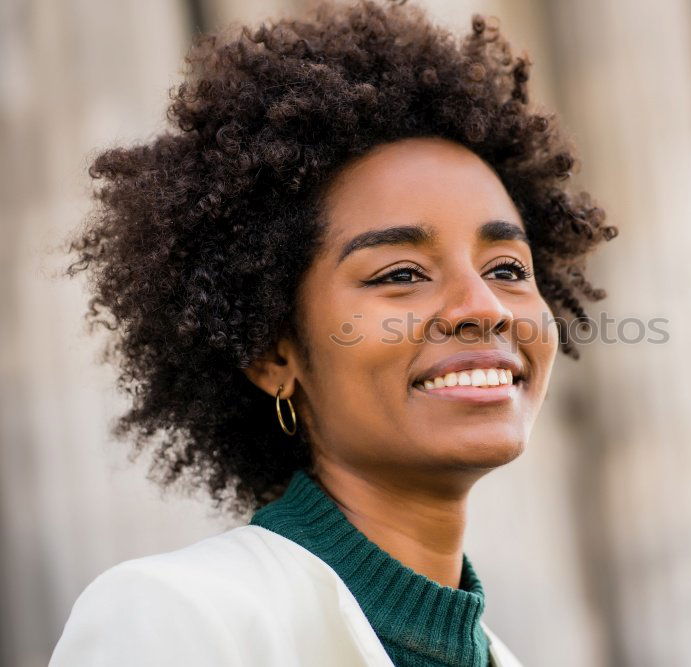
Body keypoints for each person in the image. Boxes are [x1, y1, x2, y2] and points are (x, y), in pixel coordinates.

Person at [50, 0, 617, 664]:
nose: (483, 305)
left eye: (507, 266)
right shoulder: (173, 621)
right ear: (274, 351)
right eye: (402, 272)